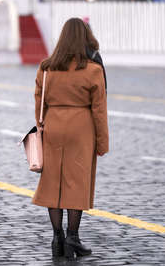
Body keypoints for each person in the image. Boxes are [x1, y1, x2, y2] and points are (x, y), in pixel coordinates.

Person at [32, 18, 109, 259]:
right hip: (81, 127)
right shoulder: (93, 70)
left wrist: (42, 127)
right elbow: (99, 109)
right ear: (85, 39)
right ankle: (73, 238)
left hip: (53, 124)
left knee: (52, 182)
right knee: (77, 181)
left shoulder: (46, 68)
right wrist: (102, 142)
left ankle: (57, 238)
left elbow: (38, 103)